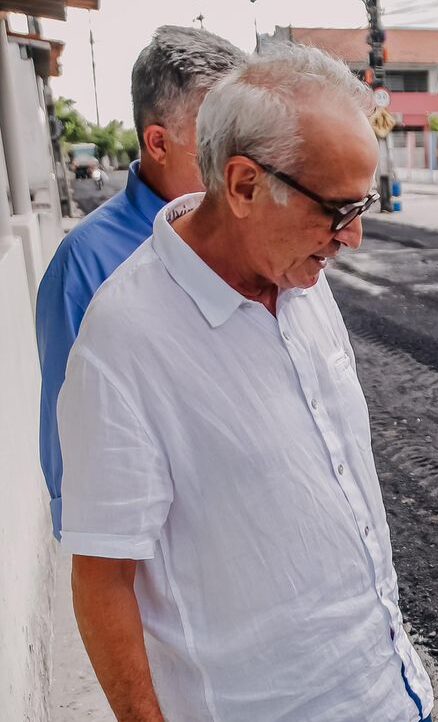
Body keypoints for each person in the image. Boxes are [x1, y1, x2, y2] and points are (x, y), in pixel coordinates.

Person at [58, 44, 432, 722]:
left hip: (391, 691)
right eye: (337, 210)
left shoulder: (300, 281)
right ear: (243, 184)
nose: (354, 240)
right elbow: (102, 577)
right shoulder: (125, 342)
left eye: (362, 204)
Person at [34, 26, 244, 542]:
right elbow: (73, 455)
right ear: (158, 142)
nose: (245, 161)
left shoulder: (251, 235)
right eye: (220, 141)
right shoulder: (85, 265)